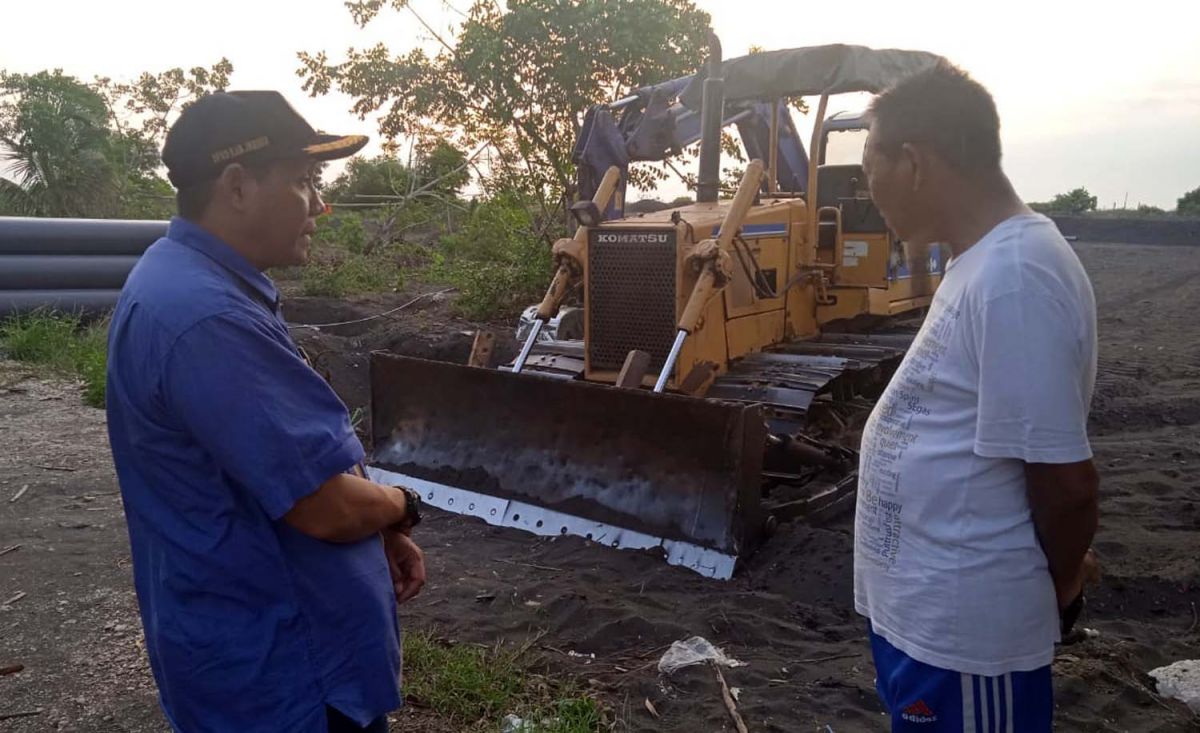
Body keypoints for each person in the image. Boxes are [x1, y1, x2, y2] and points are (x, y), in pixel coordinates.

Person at [105, 90, 427, 733]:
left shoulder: (186, 282)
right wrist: (401, 506)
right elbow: (328, 509)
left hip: (251, 652)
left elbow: (287, 461)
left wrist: (381, 533)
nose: (320, 204)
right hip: (284, 677)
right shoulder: (208, 318)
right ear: (237, 185)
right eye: (304, 180)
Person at [854, 62, 1100, 732]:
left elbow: (1067, 483)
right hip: (929, 631)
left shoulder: (1016, 276)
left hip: (969, 647)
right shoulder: (982, 263)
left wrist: (1061, 584)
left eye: (869, 167)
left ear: (913, 163)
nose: (868, 190)